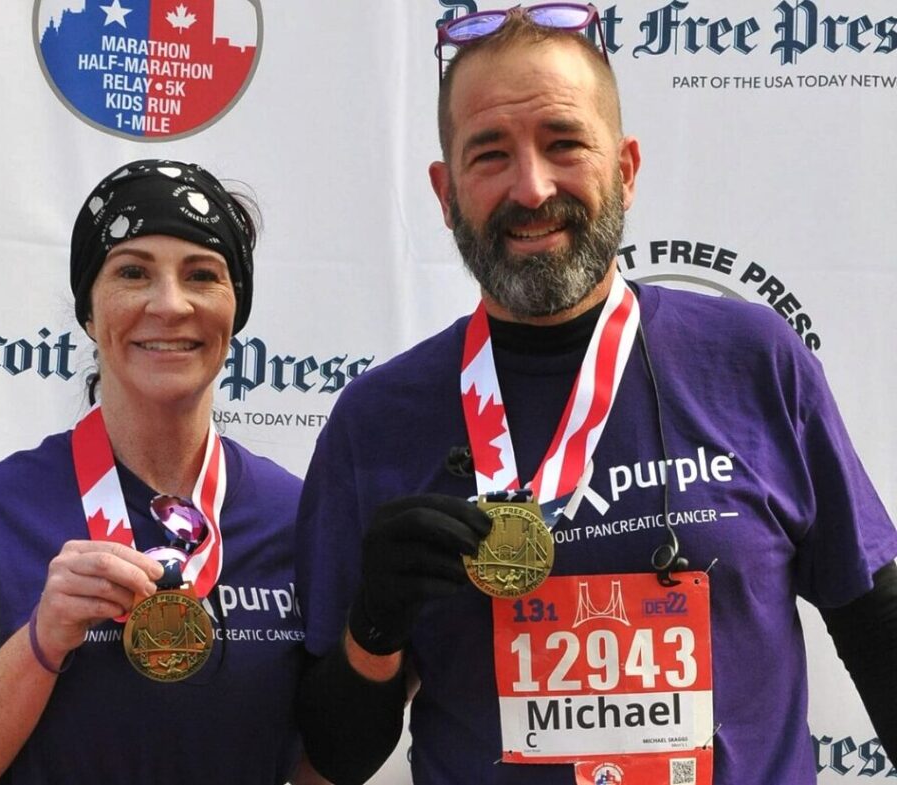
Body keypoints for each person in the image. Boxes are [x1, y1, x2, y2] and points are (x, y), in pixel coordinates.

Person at [294, 7, 897, 785]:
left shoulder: (751, 360)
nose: (532, 187)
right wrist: (373, 627)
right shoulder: (376, 421)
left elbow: (877, 626)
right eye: (490, 155)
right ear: (445, 194)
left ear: (627, 168)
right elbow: (335, 757)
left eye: (564, 143)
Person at [0, 159, 323, 784]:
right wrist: (42, 638)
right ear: (89, 309)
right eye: (133, 272)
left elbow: (327, 757)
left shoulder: (294, 515)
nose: (170, 304)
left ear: (234, 311)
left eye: (203, 275)